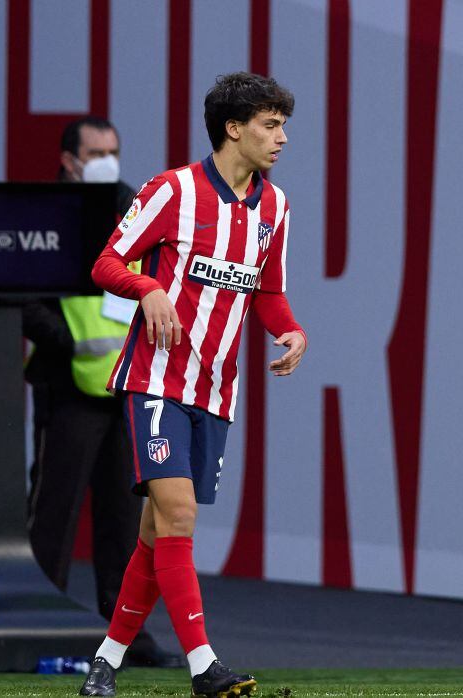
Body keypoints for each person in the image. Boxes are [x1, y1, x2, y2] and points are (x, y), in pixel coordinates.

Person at [78, 72, 307, 697]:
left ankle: (104, 662)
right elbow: (106, 262)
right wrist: (149, 287)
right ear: (234, 128)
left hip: (216, 388)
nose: (282, 138)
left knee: (157, 535)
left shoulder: (276, 206)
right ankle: (205, 667)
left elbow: (268, 293)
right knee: (178, 515)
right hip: (157, 377)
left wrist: (289, 332)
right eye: (271, 124)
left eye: (283, 124)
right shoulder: (171, 190)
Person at [24, 116, 179, 668]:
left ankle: (126, 637)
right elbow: (22, 290)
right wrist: (64, 340)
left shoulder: (131, 209)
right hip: (68, 384)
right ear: (69, 159)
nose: (108, 159)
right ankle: (36, 625)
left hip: (125, 384)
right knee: (54, 511)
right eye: (96, 152)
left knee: (123, 516)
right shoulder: (45, 215)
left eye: (114, 150)